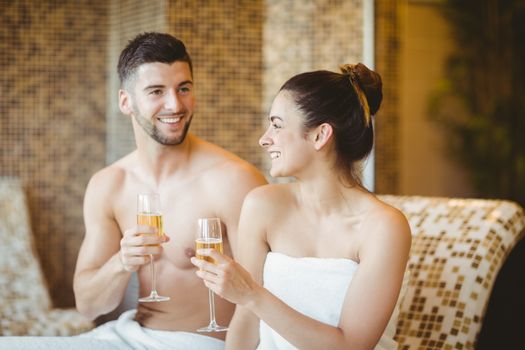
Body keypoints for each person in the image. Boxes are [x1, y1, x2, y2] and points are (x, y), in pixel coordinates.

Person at [0, 32, 266, 349]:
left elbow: (259, 300)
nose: (175, 104)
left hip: (196, 341)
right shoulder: (109, 184)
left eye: (184, 88)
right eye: (157, 91)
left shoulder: (232, 180)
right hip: (127, 334)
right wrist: (122, 263)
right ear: (126, 101)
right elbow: (88, 305)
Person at [191, 63, 412, 349]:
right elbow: (245, 322)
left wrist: (252, 295)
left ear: (320, 135)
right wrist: (248, 300)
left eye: (277, 125)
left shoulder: (383, 227)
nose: (264, 138)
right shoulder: (262, 206)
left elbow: (351, 346)